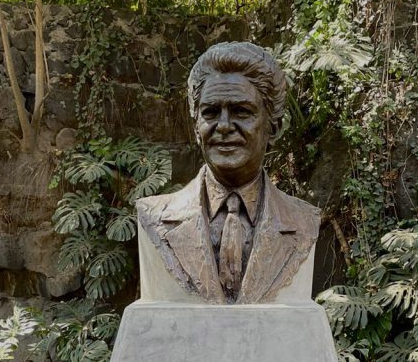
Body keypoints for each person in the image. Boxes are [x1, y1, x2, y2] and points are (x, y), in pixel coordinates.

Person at [137, 41, 320, 304]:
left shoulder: (304, 221)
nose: (223, 126)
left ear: (274, 127)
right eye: (210, 112)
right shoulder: (153, 216)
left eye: (241, 112)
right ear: (196, 126)